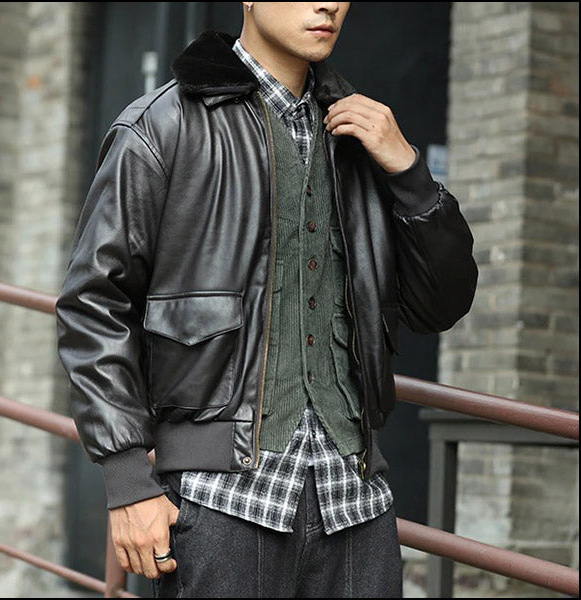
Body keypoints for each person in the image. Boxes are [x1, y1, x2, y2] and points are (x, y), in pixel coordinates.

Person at [55, 2, 478, 598]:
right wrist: (127, 480)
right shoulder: (163, 126)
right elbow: (93, 303)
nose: (328, 4)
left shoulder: (363, 134)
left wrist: (409, 171)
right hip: (221, 502)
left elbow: (442, 304)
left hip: (353, 502)